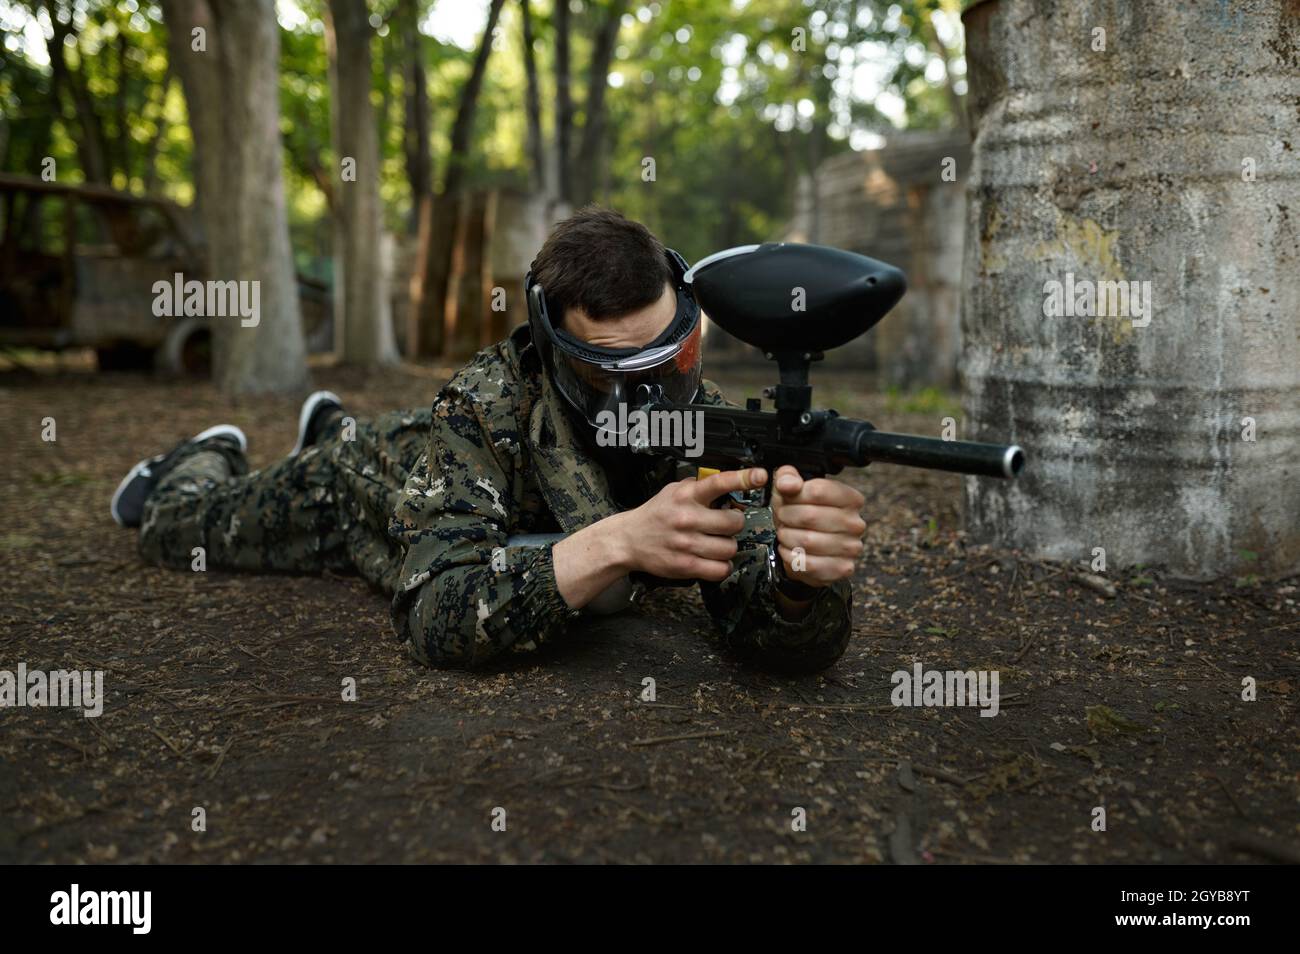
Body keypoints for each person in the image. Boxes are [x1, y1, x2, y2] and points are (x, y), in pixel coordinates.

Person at [110, 207, 866, 672]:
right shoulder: (485, 400)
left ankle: (327, 418)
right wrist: (617, 543)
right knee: (181, 528)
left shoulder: (700, 420)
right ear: (553, 349)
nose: (649, 392)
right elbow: (436, 610)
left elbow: (775, 630)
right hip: (369, 485)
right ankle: (207, 453)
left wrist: (797, 585)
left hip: (444, 463)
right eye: (610, 371)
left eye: (670, 359)